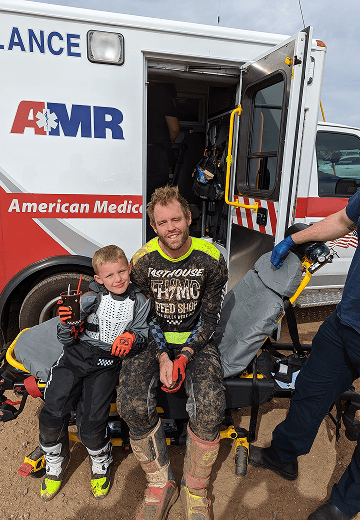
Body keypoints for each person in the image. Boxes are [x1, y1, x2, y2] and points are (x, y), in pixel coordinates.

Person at [116, 185, 228, 520]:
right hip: (153, 341)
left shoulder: (211, 260)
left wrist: (184, 356)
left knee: (210, 408)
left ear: (189, 218)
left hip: (197, 342)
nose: (171, 228)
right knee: (132, 404)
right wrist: (164, 356)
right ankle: (161, 482)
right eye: (163, 222)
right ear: (154, 226)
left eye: (176, 219)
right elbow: (144, 317)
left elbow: (210, 319)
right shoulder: (142, 262)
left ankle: (195, 487)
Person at [249, 191, 360, 520]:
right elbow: (343, 220)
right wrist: (294, 239)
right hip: (345, 324)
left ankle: (345, 504)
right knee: (310, 390)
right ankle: (284, 455)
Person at [38, 245, 150, 501]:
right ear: (98, 279)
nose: (118, 279)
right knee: (53, 409)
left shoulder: (140, 302)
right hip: (76, 356)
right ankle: (54, 461)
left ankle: (101, 459)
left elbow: (143, 332)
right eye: (109, 276)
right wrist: (67, 323)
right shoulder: (90, 298)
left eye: (122, 271)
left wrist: (132, 337)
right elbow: (65, 339)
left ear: (129, 269)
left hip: (107, 364)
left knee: (91, 422)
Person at [147, 82, 180, 240]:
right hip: (157, 152)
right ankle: (157, 237)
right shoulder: (166, 97)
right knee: (158, 199)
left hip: (139, 151)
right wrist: (166, 146)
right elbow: (174, 128)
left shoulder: (142, 91)